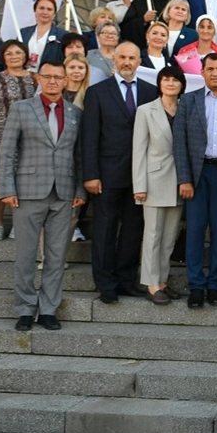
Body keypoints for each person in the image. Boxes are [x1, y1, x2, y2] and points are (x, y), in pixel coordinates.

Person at [0, 61, 85, 331]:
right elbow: (8, 151)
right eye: (47, 76)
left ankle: (48, 309)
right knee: (25, 255)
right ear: (38, 78)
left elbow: (78, 154)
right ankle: (24, 308)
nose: (53, 81)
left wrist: (80, 189)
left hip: (64, 192)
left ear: (66, 80)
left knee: (56, 255)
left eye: (59, 77)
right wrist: (7, 188)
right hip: (27, 193)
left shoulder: (74, 112)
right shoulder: (22, 109)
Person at [81, 42, 157, 303]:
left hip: (139, 176)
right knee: (104, 229)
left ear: (139, 62)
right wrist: (90, 174)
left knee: (133, 229)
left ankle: (126, 280)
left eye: (132, 58)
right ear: (114, 60)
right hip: (106, 174)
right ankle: (106, 284)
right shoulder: (97, 92)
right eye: (122, 57)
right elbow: (89, 136)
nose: (127, 62)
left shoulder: (151, 91)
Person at [173, 53, 217, 309]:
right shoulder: (188, 101)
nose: (215, 73)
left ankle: (215, 285)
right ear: (202, 72)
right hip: (197, 174)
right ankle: (195, 286)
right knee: (194, 232)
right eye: (210, 69)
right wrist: (184, 179)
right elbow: (179, 142)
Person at [132, 64, 185, 304]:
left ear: (182, 84)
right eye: (166, 80)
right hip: (153, 180)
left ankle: (163, 280)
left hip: (180, 181)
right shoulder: (145, 110)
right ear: (160, 83)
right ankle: (151, 284)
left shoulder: (185, 107)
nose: (171, 83)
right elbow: (138, 150)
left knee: (170, 236)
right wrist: (139, 185)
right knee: (152, 234)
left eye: (175, 80)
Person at [0, 39, 37, 240]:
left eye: (18, 52)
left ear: (25, 55)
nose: (14, 56)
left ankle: (18, 223)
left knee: (24, 180)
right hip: (2, 136)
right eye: (9, 53)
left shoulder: (35, 78)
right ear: (3, 57)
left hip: (30, 138)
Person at [19, 0, 68, 71]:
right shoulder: (23, 33)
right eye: (41, 8)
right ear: (35, 11)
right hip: (25, 78)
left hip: (48, 79)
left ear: (54, 14)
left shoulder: (62, 35)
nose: (45, 12)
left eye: (49, 9)